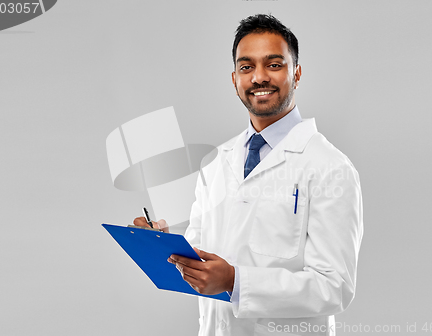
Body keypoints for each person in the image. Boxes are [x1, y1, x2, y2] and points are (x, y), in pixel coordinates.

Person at [134, 14, 363, 336]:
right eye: (246, 67)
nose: (258, 77)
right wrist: (166, 244)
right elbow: (204, 255)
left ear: (296, 73)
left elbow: (335, 286)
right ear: (234, 79)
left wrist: (234, 281)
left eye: (274, 64)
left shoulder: (330, 168)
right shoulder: (216, 163)